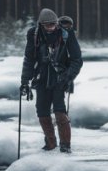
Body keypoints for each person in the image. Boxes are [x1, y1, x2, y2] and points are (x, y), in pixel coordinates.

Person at [20, 8, 83, 153]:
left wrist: (68, 77)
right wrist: (25, 81)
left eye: (53, 24)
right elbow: (29, 59)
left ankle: (65, 145)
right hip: (41, 77)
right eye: (48, 25)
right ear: (41, 24)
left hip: (60, 77)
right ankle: (50, 143)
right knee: (41, 110)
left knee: (59, 109)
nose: (51, 27)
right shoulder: (33, 35)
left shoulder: (66, 33)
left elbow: (77, 60)